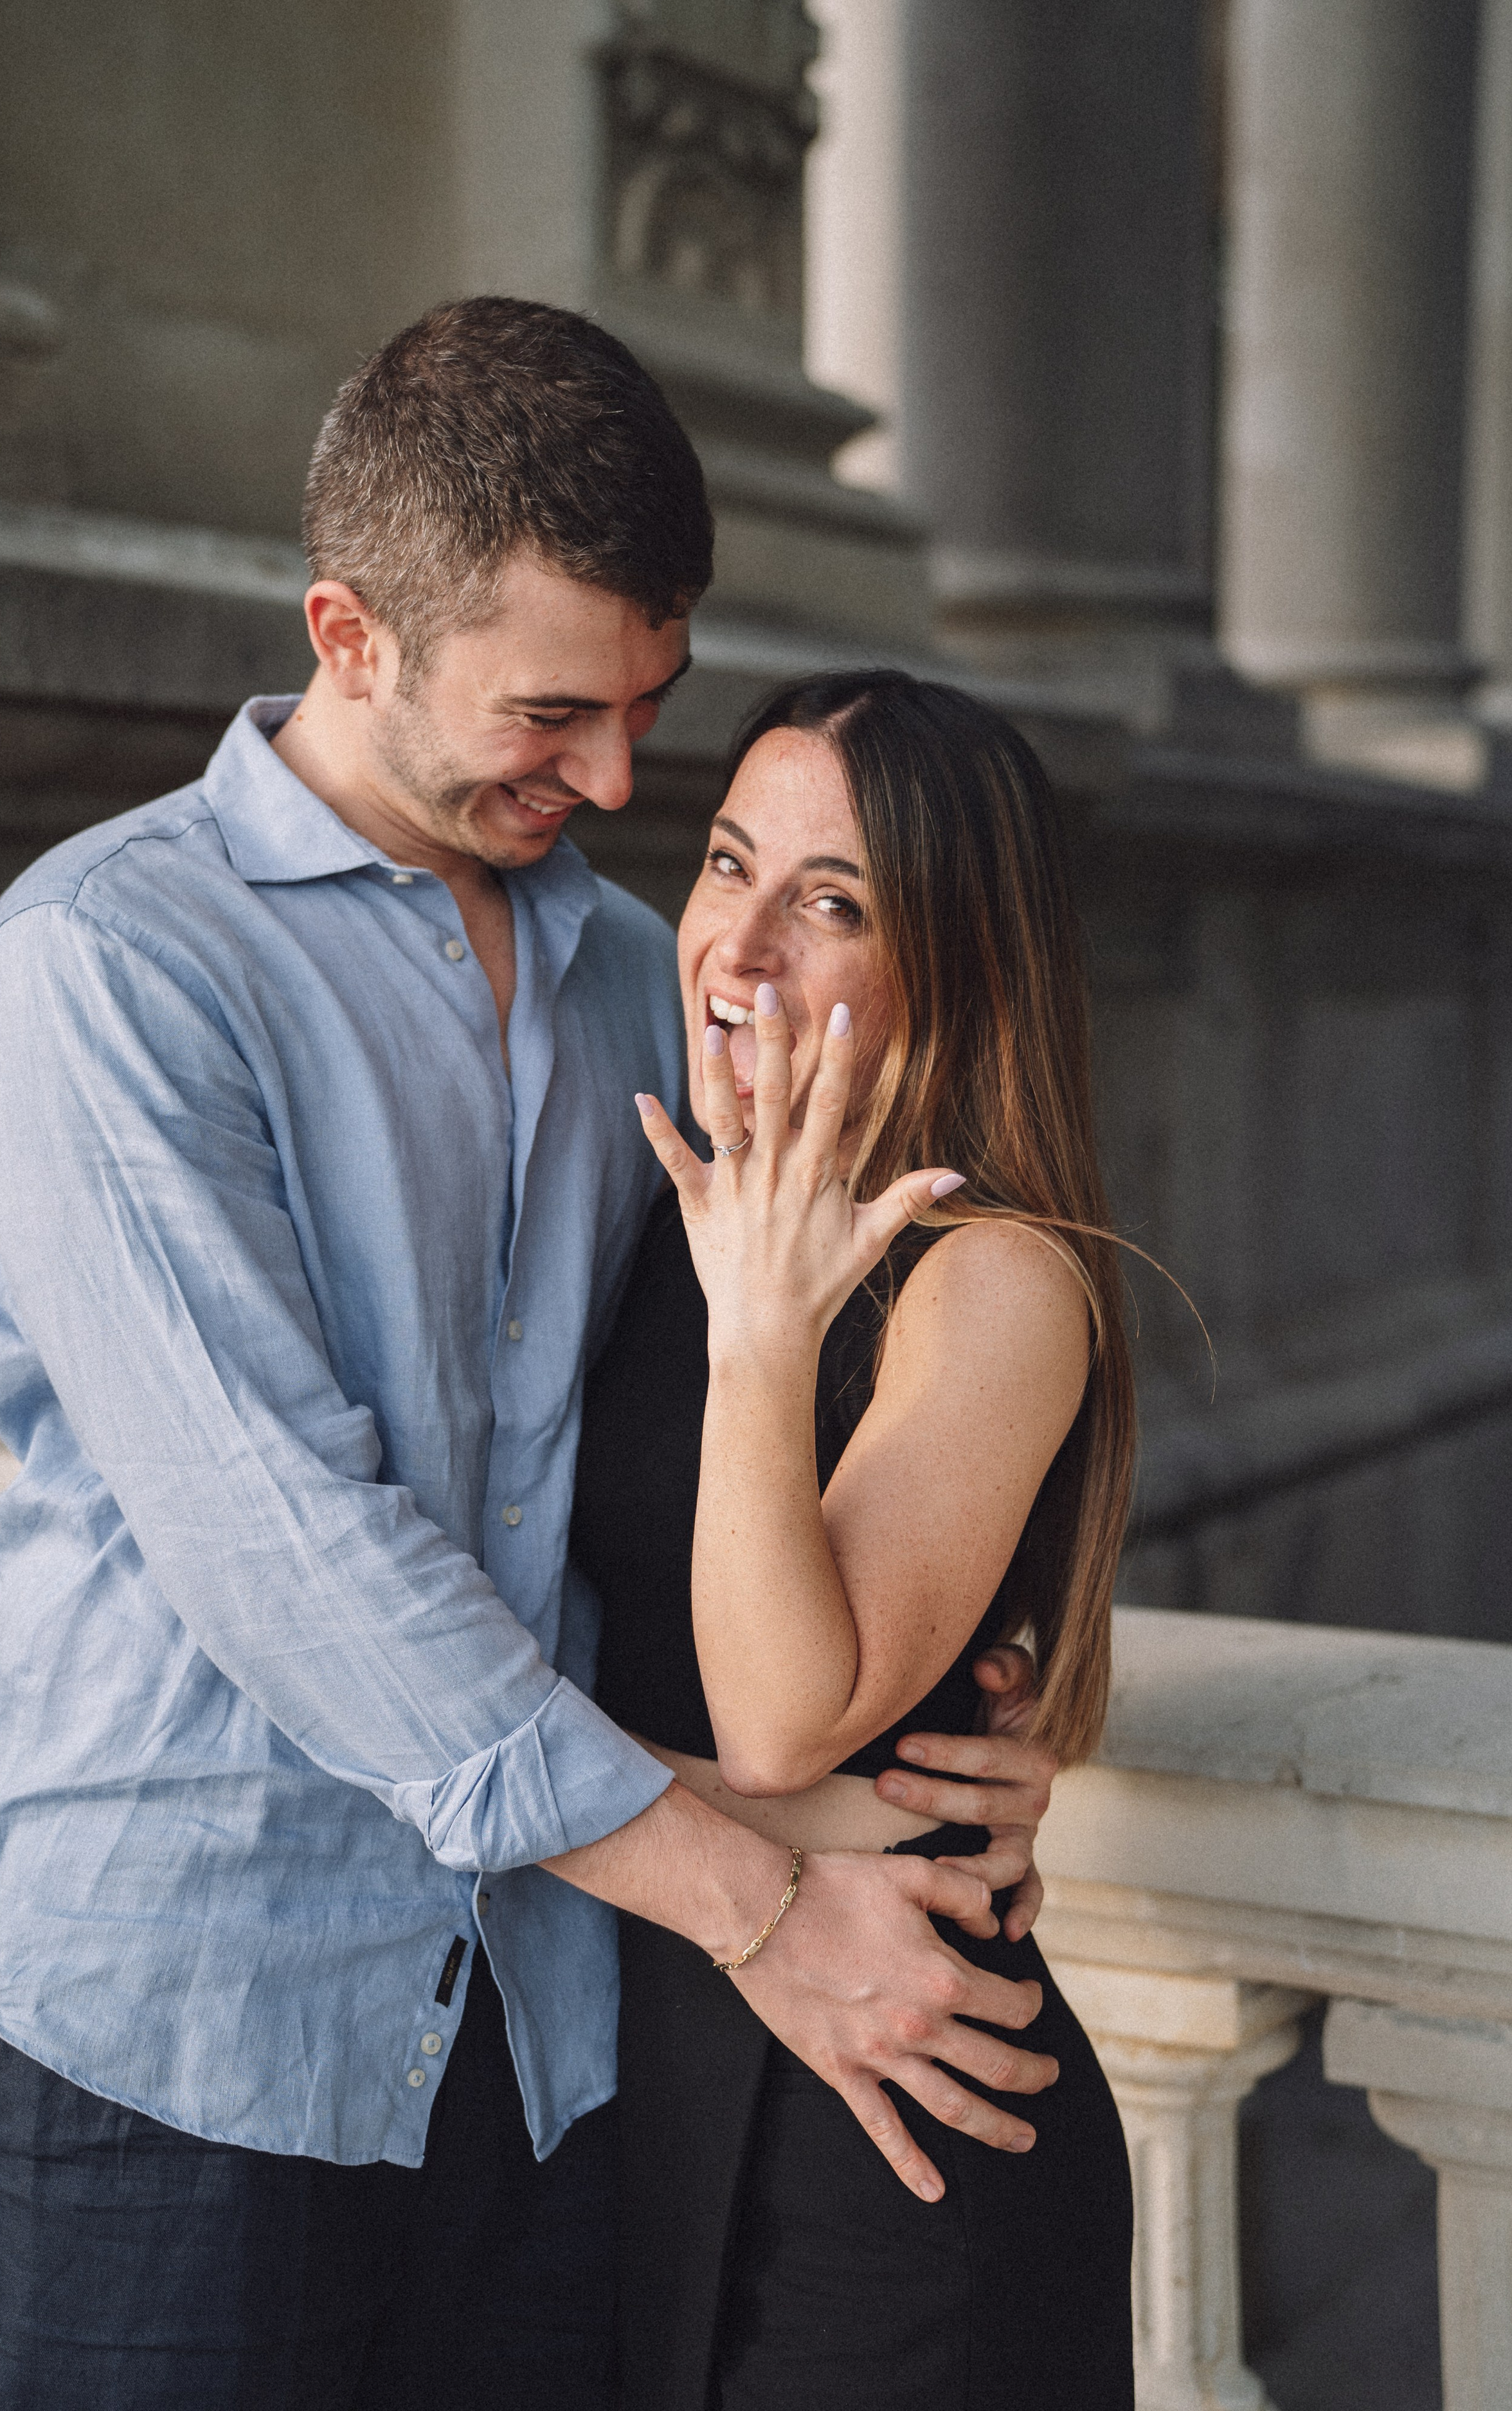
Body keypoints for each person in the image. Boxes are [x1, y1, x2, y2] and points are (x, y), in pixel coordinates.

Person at [0, 302, 1061, 2411]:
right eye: (554, 712)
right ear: (349, 635)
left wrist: (951, 1719)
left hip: (551, 2062)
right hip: (193, 2051)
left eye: (650, 709)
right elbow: (298, 1563)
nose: (620, 782)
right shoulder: (109, 969)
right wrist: (761, 1890)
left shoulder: (643, 975)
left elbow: (766, 1437)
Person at [572, 670, 1138, 2410]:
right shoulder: (664, 1206)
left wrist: (764, 1335)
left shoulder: (996, 1277)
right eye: (729, 866)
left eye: (832, 905)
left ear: (954, 967)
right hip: (645, 2107)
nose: (739, 950)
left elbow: (776, 1720)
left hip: (892, 2143)